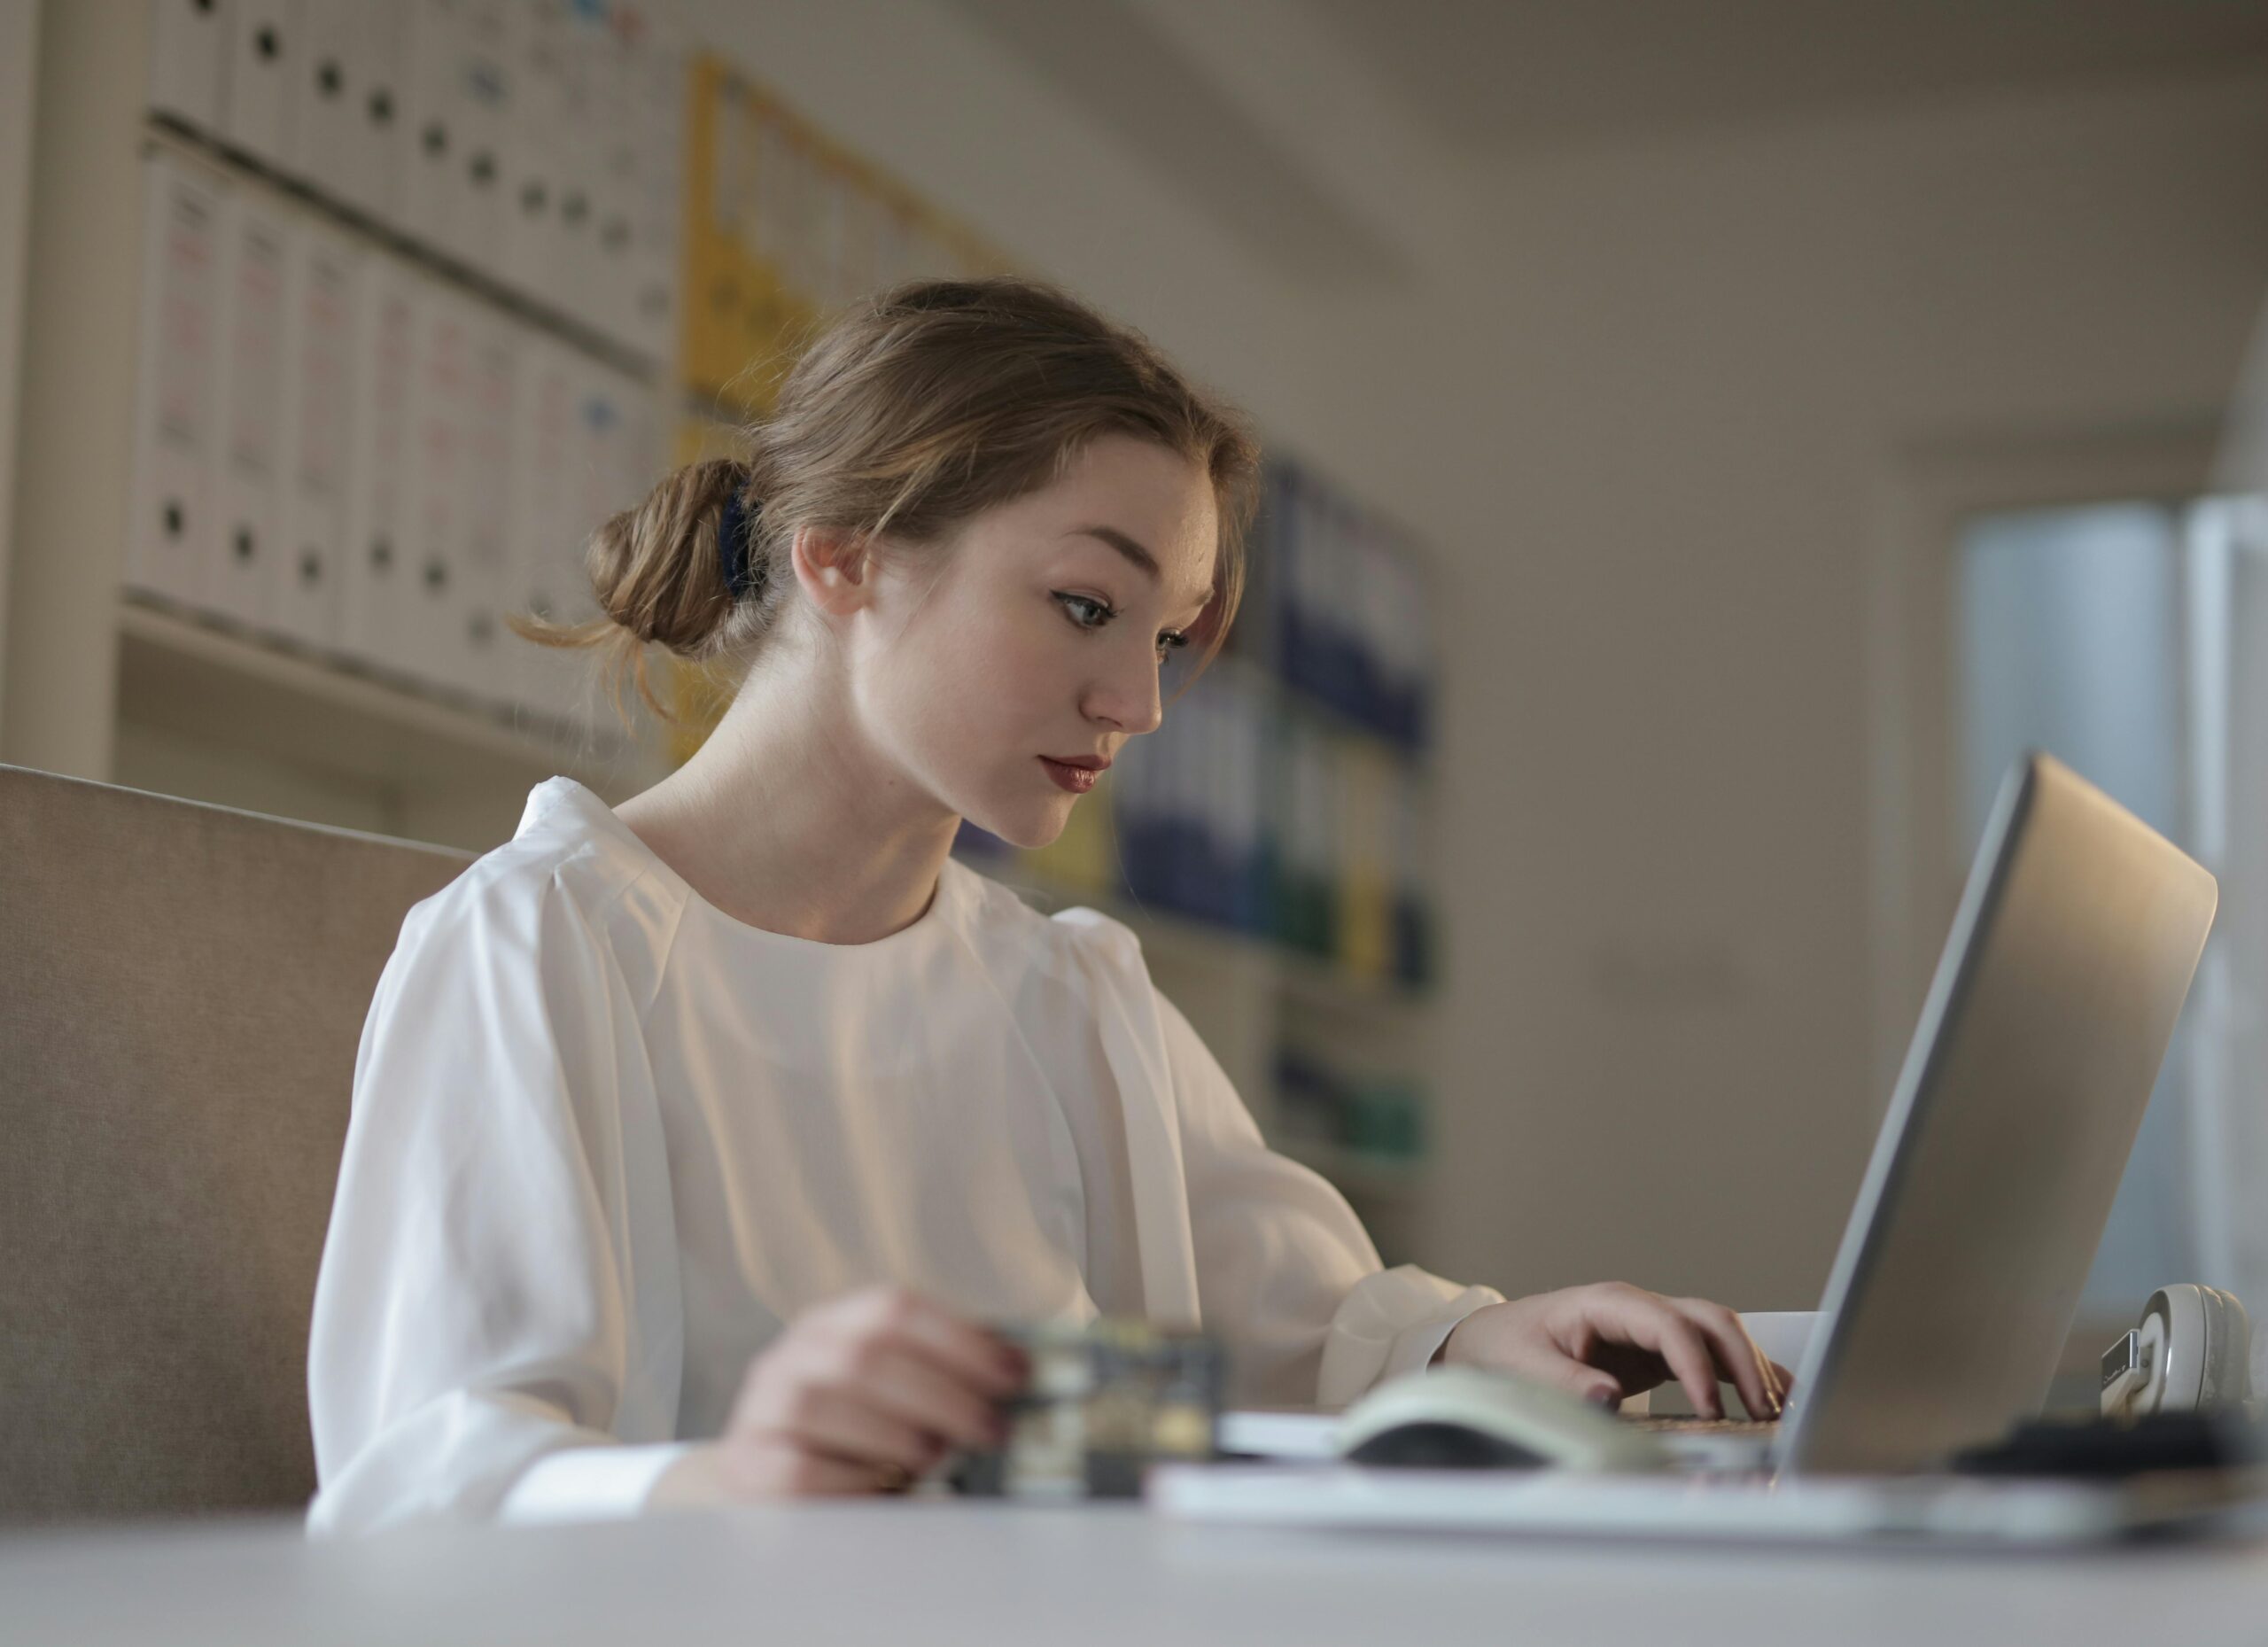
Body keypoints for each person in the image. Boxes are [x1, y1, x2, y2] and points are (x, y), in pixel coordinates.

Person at [306, 277, 1788, 1534]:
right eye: (1088, 606)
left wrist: (1486, 1339)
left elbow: (1312, 1327)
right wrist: (731, 1482)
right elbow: (414, 1498)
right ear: (846, 559)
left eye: (1163, 636)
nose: (1139, 703)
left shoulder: (1066, 996)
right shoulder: (543, 947)